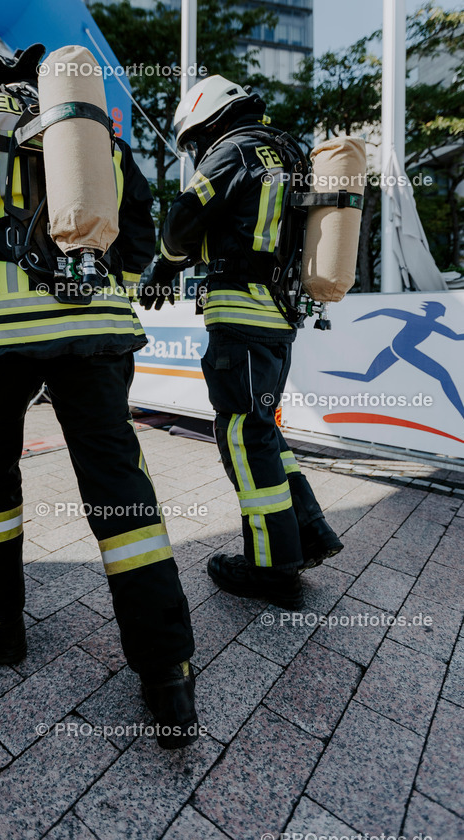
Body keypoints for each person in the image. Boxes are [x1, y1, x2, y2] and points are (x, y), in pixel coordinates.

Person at [0, 45, 198, 748]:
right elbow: (136, 231)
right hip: (95, 331)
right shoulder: (92, 132)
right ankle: (168, 672)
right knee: (118, 486)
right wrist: (100, 302)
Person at [141, 75, 343, 611]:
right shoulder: (288, 151)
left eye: (193, 140)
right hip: (278, 317)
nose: (196, 150)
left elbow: (184, 218)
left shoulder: (232, 150)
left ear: (209, 116)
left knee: (242, 435)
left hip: (240, 317)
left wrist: (163, 262)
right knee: (263, 431)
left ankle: (270, 566)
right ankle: (308, 533)